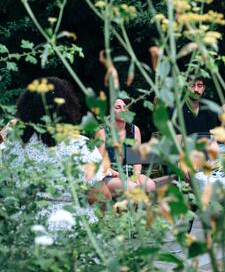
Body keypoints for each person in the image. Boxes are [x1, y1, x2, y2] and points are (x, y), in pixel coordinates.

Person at [1, 77, 111, 220]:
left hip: (26, 227)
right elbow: (101, 198)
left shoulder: (10, 148)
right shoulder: (80, 146)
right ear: (67, 107)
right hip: (74, 228)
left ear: (25, 108)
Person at [95, 98, 156, 195]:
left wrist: (136, 176)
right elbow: (101, 165)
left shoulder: (134, 130)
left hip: (130, 174)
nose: (123, 110)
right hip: (109, 175)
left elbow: (137, 160)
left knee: (150, 186)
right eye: (118, 108)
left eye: (125, 107)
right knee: (133, 188)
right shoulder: (102, 132)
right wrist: (120, 175)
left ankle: (145, 209)